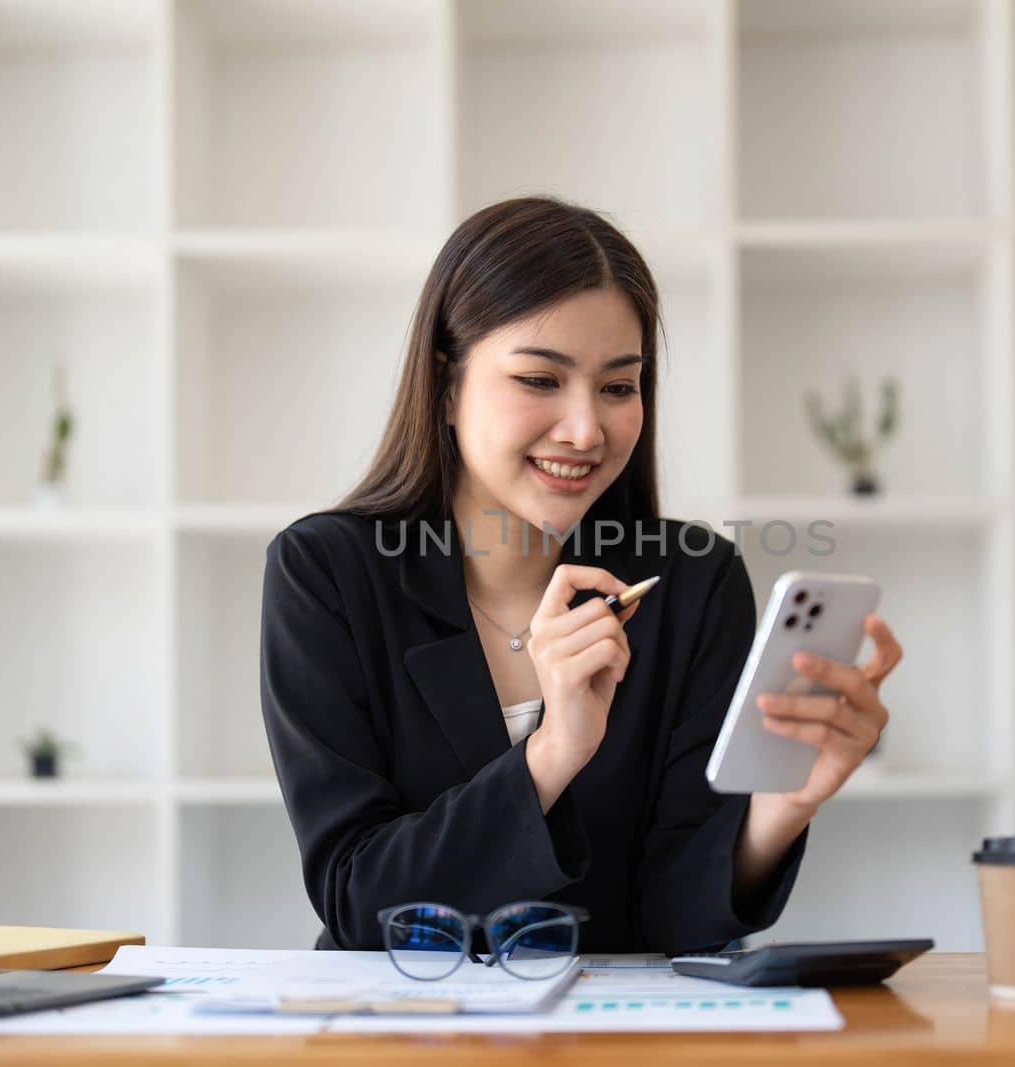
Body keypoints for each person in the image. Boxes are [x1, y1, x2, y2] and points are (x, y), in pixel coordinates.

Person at [260, 196, 900, 955]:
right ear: (446, 384)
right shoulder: (328, 574)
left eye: (618, 386)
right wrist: (551, 754)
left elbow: (670, 919)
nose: (586, 428)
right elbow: (361, 902)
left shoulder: (692, 581)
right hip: (405, 1025)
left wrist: (777, 812)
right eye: (539, 379)